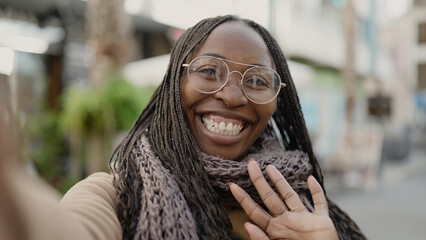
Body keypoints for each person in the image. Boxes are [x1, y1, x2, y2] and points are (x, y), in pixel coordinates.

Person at [0, 15, 366, 240]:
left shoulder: (302, 203)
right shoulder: (115, 196)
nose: (234, 96)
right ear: (175, 85)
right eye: (209, 71)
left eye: (257, 80)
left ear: (277, 100)